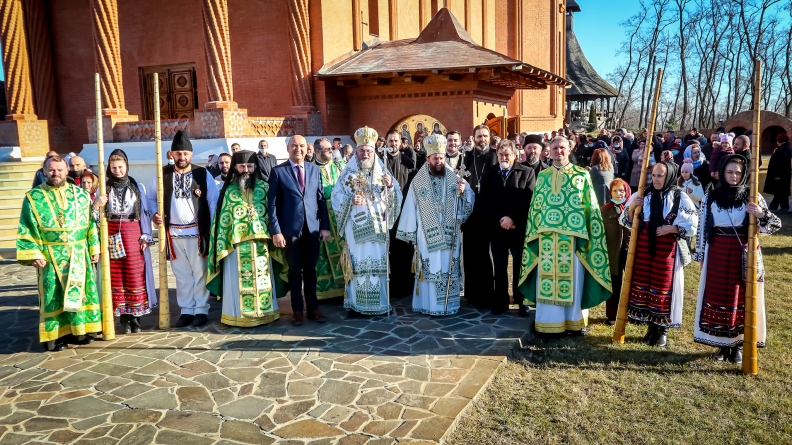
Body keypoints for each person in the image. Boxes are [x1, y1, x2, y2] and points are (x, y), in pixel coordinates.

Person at [517, 137, 612, 335]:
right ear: (548, 151)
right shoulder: (542, 177)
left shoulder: (581, 175)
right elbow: (535, 208)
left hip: (573, 239)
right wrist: (533, 232)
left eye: (562, 148)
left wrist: (590, 232)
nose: (558, 151)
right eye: (554, 148)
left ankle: (574, 323)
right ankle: (546, 324)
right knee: (546, 280)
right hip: (546, 239)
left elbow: (591, 207)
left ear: (569, 150)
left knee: (574, 281)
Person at [693, 154, 782, 364]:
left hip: (744, 254)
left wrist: (761, 214)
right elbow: (703, 228)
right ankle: (722, 345)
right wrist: (700, 255)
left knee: (741, 297)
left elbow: (773, 226)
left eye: (738, 173)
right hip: (718, 253)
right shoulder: (711, 197)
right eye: (730, 172)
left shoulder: (753, 196)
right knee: (718, 297)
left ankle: (739, 345)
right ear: (723, 173)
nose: (734, 176)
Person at [17, 155, 101, 351]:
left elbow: (90, 225)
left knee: (80, 294)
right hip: (49, 254)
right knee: (53, 296)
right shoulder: (33, 198)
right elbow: (27, 227)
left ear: (67, 171)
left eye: (60, 170)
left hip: (78, 253)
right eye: (52, 170)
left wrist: (94, 247)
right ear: (44, 172)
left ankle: (80, 332)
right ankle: (56, 337)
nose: (56, 173)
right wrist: (34, 254)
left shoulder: (80, 195)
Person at [620, 162, 698, 347]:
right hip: (643, 248)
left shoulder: (679, 197)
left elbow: (692, 225)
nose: (656, 179)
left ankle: (662, 329)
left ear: (669, 175)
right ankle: (650, 327)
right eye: (654, 175)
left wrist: (670, 228)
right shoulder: (643, 195)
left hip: (666, 249)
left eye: (660, 175)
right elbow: (627, 221)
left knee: (662, 285)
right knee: (645, 284)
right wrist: (632, 208)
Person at [397, 134, 474, 315]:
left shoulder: (455, 177)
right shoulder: (418, 180)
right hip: (427, 235)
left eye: (441, 158)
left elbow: (469, 200)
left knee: (448, 266)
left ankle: (449, 305)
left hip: (450, 235)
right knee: (430, 267)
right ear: (428, 158)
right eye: (435, 158)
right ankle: (429, 304)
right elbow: (410, 207)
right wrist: (411, 233)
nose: (439, 161)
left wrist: (464, 192)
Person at [148, 130, 218, 328]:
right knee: (181, 274)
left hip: (197, 233)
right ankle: (187, 310)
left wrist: (211, 229)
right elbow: (152, 198)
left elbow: (212, 201)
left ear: (191, 154)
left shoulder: (202, 174)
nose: (182, 157)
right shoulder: (162, 175)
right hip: (173, 233)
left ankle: (201, 310)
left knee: (200, 272)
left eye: (185, 153)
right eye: (178, 153)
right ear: (171, 154)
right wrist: (155, 213)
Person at [208, 150, 283, 327]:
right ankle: (236, 315)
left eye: (250, 166)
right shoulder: (228, 191)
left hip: (261, 246)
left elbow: (272, 214)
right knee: (237, 282)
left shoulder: (265, 188)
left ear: (255, 167)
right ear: (235, 167)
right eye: (242, 166)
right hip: (235, 248)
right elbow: (222, 221)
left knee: (262, 278)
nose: (246, 170)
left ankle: (266, 313)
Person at [332, 127, 402, 316]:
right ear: (356, 151)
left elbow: (395, 198)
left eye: (369, 151)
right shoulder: (348, 173)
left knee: (377, 266)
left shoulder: (383, 172)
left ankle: (379, 303)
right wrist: (350, 200)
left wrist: (390, 187)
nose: (365, 154)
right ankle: (357, 305)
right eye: (362, 150)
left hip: (378, 229)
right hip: (356, 230)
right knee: (358, 266)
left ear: (374, 152)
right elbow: (336, 196)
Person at [269, 135, 332, 326]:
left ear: (308, 148)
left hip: (312, 230)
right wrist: (276, 231)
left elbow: (321, 199)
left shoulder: (314, 170)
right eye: (294, 146)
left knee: (311, 271)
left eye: (302, 146)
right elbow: (272, 205)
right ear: (288, 148)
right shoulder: (278, 172)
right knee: (295, 271)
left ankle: (313, 309)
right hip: (290, 231)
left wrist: (325, 226)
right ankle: (297, 310)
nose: (298, 149)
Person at [100, 149, 157, 334]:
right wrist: (97, 204)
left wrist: (146, 235)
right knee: (117, 275)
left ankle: (136, 318)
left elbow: (144, 213)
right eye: (113, 167)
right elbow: (97, 215)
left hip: (133, 231)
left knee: (135, 272)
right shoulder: (104, 188)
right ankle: (123, 318)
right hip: (112, 231)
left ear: (126, 166)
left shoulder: (137, 187)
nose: (117, 170)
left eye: (120, 166)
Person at [480, 139, 535, 316]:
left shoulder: (527, 172)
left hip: (517, 228)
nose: (504, 157)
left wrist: (511, 218)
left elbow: (528, 199)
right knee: (499, 266)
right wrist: (500, 219)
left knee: (519, 265)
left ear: (514, 155)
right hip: (497, 228)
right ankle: (501, 300)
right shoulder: (489, 174)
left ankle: (521, 301)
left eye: (507, 154)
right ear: (497, 155)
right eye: (501, 154)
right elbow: (484, 202)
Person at [462, 124, 498, 308]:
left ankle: (486, 293)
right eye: (479, 136)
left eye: (485, 136)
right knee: (469, 253)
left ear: (489, 137)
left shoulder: (494, 157)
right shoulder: (467, 157)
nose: (482, 139)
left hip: (488, 212)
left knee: (485, 254)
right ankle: (472, 293)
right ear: (473, 137)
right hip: (470, 213)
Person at [382, 130, 417, 298]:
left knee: (403, 250)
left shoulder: (408, 163)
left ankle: (404, 287)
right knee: (388, 250)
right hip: (385, 214)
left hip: (404, 212)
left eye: (396, 141)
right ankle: (389, 286)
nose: (393, 144)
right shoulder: (380, 163)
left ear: (400, 142)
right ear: (386, 142)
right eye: (390, 141)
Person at [313, 138, 347, 299]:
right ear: (317, 151)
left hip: (340, 215)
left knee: (342, 250)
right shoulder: (310, 169)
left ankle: (343, 288)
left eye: (331, 150)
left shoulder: (339, 166)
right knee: (322, 255)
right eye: (328, 150)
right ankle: (324, 292)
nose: (331, 152)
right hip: (321, 215)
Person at [601, 178, 631, 325]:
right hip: (613, 253)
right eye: (615, 190)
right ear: (610, 193)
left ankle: (630, 312)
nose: (618, 193)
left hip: (630, 253)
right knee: (615, 283)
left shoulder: (634, 209)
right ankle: (612, 315)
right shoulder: (605, 211)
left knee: (631, 282)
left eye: (621, 190)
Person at [764, 133, 791, 212]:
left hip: (781, 175)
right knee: (781, 191)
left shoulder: (784, 149)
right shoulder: (784, 148)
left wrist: (778, 175)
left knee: (781, 191)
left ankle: (777, 206)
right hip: (784, 174)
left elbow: (781, 163)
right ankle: (780, 205)